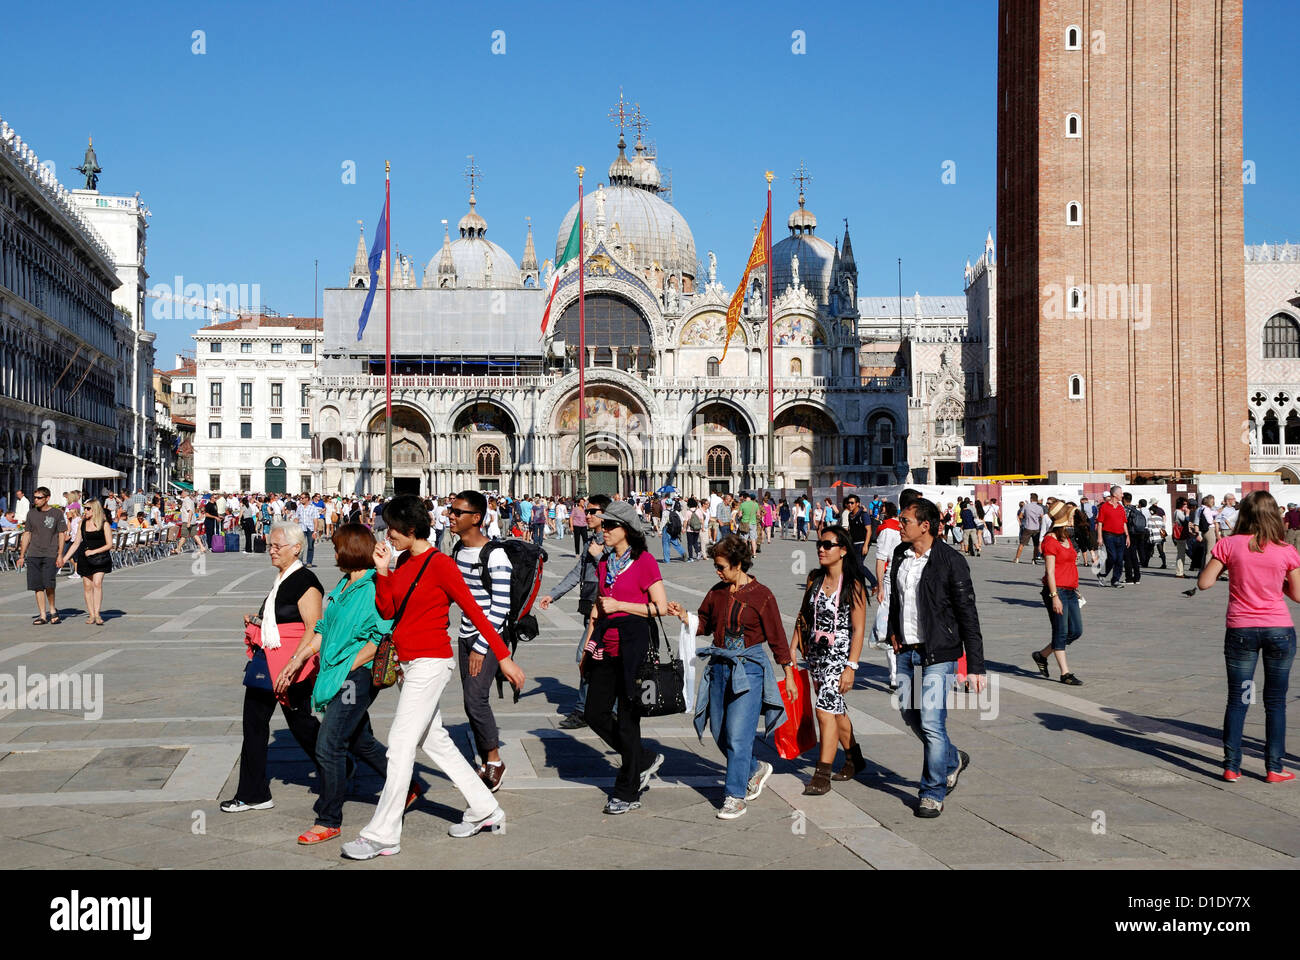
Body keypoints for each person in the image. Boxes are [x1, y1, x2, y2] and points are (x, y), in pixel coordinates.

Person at [340, 497, 525, 860]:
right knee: (435, 741)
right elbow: (388, 609)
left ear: (412, 530)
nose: (386, 534)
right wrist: (382, 570)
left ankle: (383, 834)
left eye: (392, 529)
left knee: (400, 743)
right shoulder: (402, 560)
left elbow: (475, 610)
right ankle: (486, 809)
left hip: (431, 662)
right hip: (407, 665)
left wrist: (502, 656)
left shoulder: (441, 564)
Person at [273, 523, 424, 844]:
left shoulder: (373, 586)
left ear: (350, 550)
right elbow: (323, 628)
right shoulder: (343, 585)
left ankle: (329, 818)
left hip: (359, 676)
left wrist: (344, 669)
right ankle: (406, 784)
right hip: (336, 673)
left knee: (329, 745)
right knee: (360, 740)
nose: (334, 551)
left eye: (338, 546)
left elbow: (379, 638)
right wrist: (297, 660)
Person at [669, 534, 793, 819]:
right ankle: (754, 768)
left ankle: (734, 796)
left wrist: (787, 670)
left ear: (739, 565)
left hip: (748, 669)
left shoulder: (763, 595)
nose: (718, 571)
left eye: (722, 566)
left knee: (739, 736)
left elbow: (777, 636)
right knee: (719, 732)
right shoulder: (717, 592)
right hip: (719, 667)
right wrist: (684, 616)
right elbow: (705, 624)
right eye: (716, 566)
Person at [887, 498, 986, 818]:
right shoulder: (901, 555)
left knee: (931, 721)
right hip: (906, 650)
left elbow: (968, 613)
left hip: (939, 653)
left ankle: (932, 790)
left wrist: (976, 667)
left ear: (925, 526)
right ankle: (952, 758)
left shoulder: (950, 560)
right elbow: (896, 601)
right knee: (910, 716)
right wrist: (892, 630)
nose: (898, 525)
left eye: (904, 521)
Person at [220, 522, 325, 814]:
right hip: (268, 662)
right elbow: (281, 619)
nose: (272, 550)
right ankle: (253, 793)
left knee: (302, 725)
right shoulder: (282, 578)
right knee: (254, 723)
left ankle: (340, 765)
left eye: (277, 546)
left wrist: (293, 665)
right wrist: (258, 621)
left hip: (292, 666)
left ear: (296, 548)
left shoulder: (306, 581)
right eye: (270, 545)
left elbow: (314, 627)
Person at [1195, 490, 1297, 783]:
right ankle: (1274, 768)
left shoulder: (1229, 545)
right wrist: (1278, 587)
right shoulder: (1286, 550)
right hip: (1278, 630)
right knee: (1275, 701)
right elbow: (1299, 594)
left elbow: (1204, 583)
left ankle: (1232, 766)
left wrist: (1231, 567)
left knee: (1239, 699)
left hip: (1241, 630)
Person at [581, 499, 667, 815]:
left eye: (609, 525)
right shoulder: (604, 564)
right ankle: (641, 758)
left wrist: (623, 607)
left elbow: (659, 607)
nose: (603, 530)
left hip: (635, 647)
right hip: (606, 646)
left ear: (626, 530)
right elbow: (599, 607)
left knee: (629, 721)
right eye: (603, 525)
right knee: (594, 713)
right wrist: (587, 646)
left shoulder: (645, 562)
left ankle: (628, 790)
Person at [792, 524, 870, 795]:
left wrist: (851, 666)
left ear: (843, 550)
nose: (821, 550)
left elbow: (859, 629)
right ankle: (854, 758)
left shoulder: (853, 585)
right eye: (819, 545)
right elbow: (804, 615)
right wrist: (792, 648)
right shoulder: (815, 578)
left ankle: (821, 774)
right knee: (835, 710)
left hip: (839, 656)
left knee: (824, 710)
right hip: (815, 656)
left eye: (828, 545)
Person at [448, 491, 513, 793]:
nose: (450, 515)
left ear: (475, 518)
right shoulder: (458, 550)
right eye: (451, 510)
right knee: (470, 700)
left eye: (457, 512)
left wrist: (481, 646)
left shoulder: (495, 555)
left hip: (487, 636)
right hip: (465, 634)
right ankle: (488, 758)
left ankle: (495, 760)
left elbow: (501, 606)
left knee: (475, 700)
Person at [540, 494, 611, 729]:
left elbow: (617, 574)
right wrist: (554, 594)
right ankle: (605, 708)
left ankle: (584, 710)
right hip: (589, 606)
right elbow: (576, 572)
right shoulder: (593, 540)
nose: (587, 515)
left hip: (605, 609)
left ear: (605, 515)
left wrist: (598, 554)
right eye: (587, 511)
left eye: (593, 512)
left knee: (585, 655)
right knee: (598, 659)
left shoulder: (610, 542)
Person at [1031, 502, 1083, 685]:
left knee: (1076, 631)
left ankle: (1042, 655)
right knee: (1060, 632)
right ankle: (1065, 673)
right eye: (1070, 515)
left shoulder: (1066, 538)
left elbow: (1069, 564)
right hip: (1057, 591)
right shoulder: (1050, 541)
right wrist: (1054, 597)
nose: (1072, 518)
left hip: (1070, 590)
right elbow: (1050, 572)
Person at [16, 487, 67, 625]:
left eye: (39, 498)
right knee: (37, 585)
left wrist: (60, 554)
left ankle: (52, 610)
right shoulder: (31, 514)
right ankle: (43, 615)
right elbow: (27, 534)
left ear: (47, 498)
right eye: (35, 497)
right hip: (33, 553)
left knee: (49, 584)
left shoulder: (56, 513)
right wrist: (22, 555)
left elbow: (62, 534)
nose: (36, 500)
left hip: (50, 553)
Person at [869, 500, 902, 691]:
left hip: (891, 580)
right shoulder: (899, 527)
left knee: (891, 625)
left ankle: (895, 675)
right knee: (894, 625)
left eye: (882, 511)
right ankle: (896, 674)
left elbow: (881, 558)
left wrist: (879, 585)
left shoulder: (887, 530)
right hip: (895, 579)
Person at [70, 498, 112, 625]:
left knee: (97, 583)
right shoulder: (82, 524)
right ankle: (92, 614)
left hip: (100, 559)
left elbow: (109, 544)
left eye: (88, 508)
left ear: (95, 510)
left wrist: (94, 551)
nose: (85, 510)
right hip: (85, 558)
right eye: (85, 508)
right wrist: (64, 557)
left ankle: (98, 614)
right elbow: (76, 543)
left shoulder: (104, 524)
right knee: (87, 586)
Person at [1094, 485, 1129, 587]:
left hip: (1121, 536)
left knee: (1119, 559)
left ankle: (1115, 580)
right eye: (1121, 493)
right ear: (1114, 494)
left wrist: (1127, 536)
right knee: (1113, 557)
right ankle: (1103, 574)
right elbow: (1100, 523)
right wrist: (1099, 537)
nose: (1122, 495)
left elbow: (1124, 523)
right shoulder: (1104, 507)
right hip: (1109, 535)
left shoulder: (1121, 507)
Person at [1014, 493, 1044, 563]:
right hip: (1036, 528)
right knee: (1036, 545)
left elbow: (1020, 516)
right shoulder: (1040, 508)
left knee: (1022, 544)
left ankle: (1017, 558)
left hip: (1028, 527)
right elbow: (1042, 517)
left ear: (1031, 499)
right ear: (1037, 499)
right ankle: (1033, 560)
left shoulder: (1026, 506)